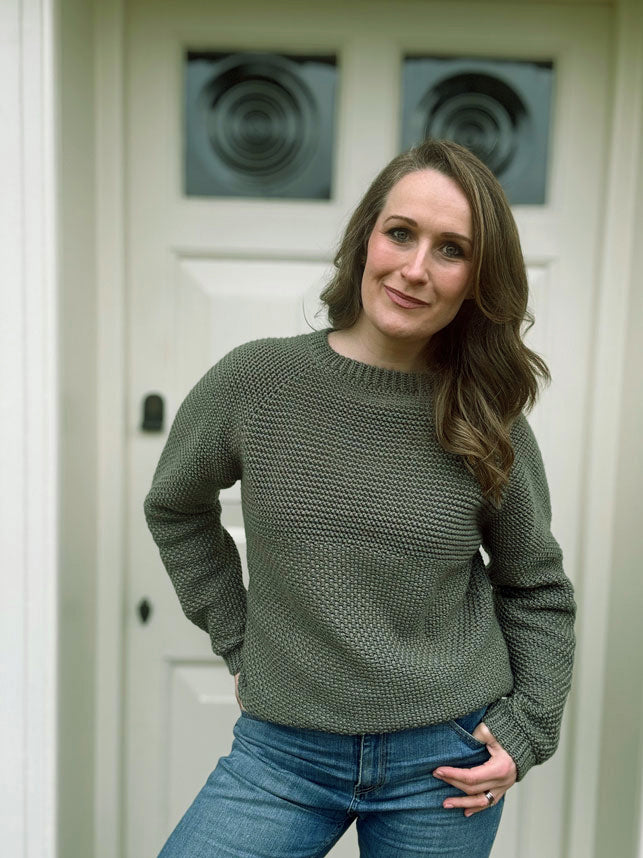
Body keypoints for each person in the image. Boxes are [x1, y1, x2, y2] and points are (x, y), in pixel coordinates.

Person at [144, 138, 576, 857]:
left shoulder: (485, 417)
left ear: (476, 280)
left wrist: (528, 726)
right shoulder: (256, 382)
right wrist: (238, 639)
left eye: (451, 250)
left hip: (443, 761)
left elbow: (535, 587)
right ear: (365, 239)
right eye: (400, 233)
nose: (415, 268)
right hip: (282, 752)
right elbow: (175, 508)